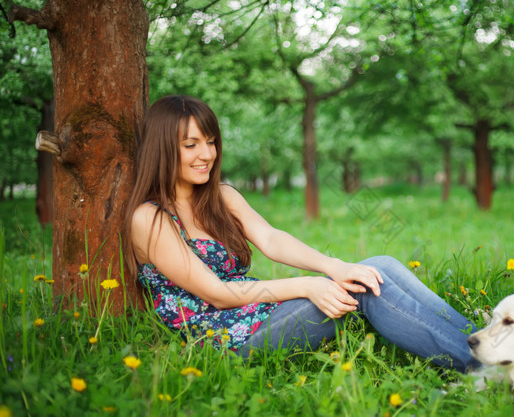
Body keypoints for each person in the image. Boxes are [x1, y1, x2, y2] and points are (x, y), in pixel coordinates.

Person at [123, 95, 479, 372]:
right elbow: (216, 294)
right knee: (364, 291)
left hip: (255, 313)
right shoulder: (150, 219)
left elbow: (271, 239)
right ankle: (484, 364)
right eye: (192, 145)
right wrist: (309, 284)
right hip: (224, 339)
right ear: (164, 148)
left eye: (211, 142)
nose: (208, 154)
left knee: (377, 265)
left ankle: (486, 339)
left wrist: (333, 266)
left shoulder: (220, 197)